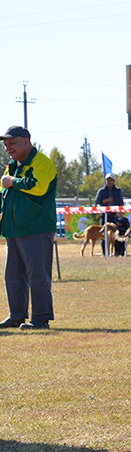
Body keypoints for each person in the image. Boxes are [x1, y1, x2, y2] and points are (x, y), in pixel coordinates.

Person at [0, 126, 57, 330]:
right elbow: (4, 193)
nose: (8, 148)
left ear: (26, 141)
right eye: (5, 144)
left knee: (37, 275)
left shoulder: (42, 162)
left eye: (12, 143)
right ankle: (16, 316)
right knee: (13, 276)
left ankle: (40, 318)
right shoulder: (12, 166)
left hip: (36, 227)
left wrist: (13, 182)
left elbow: (38, 186)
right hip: (14, 228)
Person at [95, 173, 126, 256]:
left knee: (116, 233)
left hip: (115, 216)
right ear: (105, 181)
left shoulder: (118, 191)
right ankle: (105, 252)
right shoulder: (101, 191)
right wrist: (107, 200)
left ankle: (118, 252)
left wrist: (119, 213)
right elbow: (97, 202)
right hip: (105, 215)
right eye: (108, 180)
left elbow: (121, 203)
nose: (109, 182)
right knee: (104, 234)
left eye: (111, 180)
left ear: (114, 181)